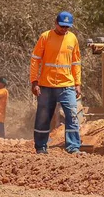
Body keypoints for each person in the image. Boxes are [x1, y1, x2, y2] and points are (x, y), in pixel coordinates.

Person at [30, 11, 82, 154]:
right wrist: (34, 81)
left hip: (67, 85)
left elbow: (76, 62)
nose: (64, 29)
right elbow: (35, 59)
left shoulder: (72, 39)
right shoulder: (45, 37)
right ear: (55, 23)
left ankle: (73, 147)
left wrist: (78, 83)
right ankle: (40, 147)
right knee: (43, 116)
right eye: (61, 26)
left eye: (67, 27)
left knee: (72, 115)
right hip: (46, 85)